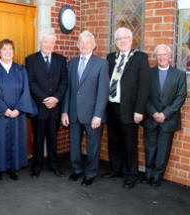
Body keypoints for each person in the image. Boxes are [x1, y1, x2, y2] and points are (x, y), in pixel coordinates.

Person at [103, 27, 150, 189]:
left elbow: (144, 87)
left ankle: (131, 175)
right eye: (119, 39)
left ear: (131, 39)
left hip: (130, 110)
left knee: (130, 144)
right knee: (114, 141)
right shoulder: (110, 58)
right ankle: (116, 170)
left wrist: (139, 110)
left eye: (125, 38)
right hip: (111, 107)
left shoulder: (140, 58)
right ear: (115, 42)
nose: (122, 41)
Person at [0, 39, 37, 181]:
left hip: (16, 114)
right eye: (4, 49)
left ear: (13, 51)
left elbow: (26, 91)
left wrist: (19, 109)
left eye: (10, 49)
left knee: (15, 140)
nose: (7, 52)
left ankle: (13, 167)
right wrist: (4, 109)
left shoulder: (21, 70)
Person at [61, 30, 109, 186]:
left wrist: (98, 115)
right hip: (74, 113)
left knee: (92, 146)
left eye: (88, 42)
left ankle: (90, 173)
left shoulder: (101, 64)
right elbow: (68, 89)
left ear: (94, 45)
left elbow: (103, 92)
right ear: (77, 45)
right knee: (74, 144)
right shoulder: (71, 64)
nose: (84, 45)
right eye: (81, 42)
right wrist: (64, 111)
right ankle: (77, 170)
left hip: (92, 115)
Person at [142, 44, 187, 187]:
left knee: (163, 149)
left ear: (170, 56)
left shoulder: (179, 75)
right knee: (150, 147)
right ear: (156, 57)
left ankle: (157, 176)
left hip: (168, 120)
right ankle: (148, 173)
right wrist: (154, 112)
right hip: (151, 117)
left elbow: (181, 97)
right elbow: (144, 96)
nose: (161, 57)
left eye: (164, 54)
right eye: (158, 55)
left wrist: (165, 113)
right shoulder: (149, 73)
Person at [25, 32, 67, 178]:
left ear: (54, 44)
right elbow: (31, 83)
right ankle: (36, 166)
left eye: (51, 42)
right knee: (38, 138)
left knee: (53, 138)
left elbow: (64, 82)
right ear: (40, 43)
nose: (48, 45)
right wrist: (46, 98)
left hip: (55, 107)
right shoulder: (31, 60)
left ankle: (54, 164)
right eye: (46, 42)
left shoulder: (61, 60)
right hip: (39, 107)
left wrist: (55, 98)